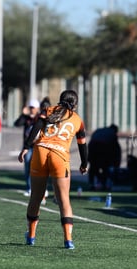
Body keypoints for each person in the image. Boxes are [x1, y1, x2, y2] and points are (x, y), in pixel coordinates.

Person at [18, 90, 88, 249]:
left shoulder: (49, 110)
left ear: (60, 100)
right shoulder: (77, 120)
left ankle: (31, 236)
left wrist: (26, 147)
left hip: (40, 153)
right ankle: (68, 240)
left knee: (36, 197)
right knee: (64, 201)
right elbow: (82, 145)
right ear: (75, 104)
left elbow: (37, 126)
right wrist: (84, 164)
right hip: (60, 157)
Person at [14, 99, 40, 197]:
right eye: (31, 108)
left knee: (37, 168)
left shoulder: (39, 117)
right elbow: (17, 124)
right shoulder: (26, 118)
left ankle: (37, 188)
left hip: (38, 146)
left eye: (33, 108)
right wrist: (23, 115)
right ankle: (29, 188)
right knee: (28, 165)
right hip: (28, 147)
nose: (32, 110)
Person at [87, 124, 121, 190]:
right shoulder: (112, 133)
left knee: (93, 167)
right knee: (105, 167)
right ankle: (102, 183)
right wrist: (116, 163)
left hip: (93, 146)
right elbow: (116, 149)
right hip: (102, 147)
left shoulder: (101, 130)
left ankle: (92, 183)